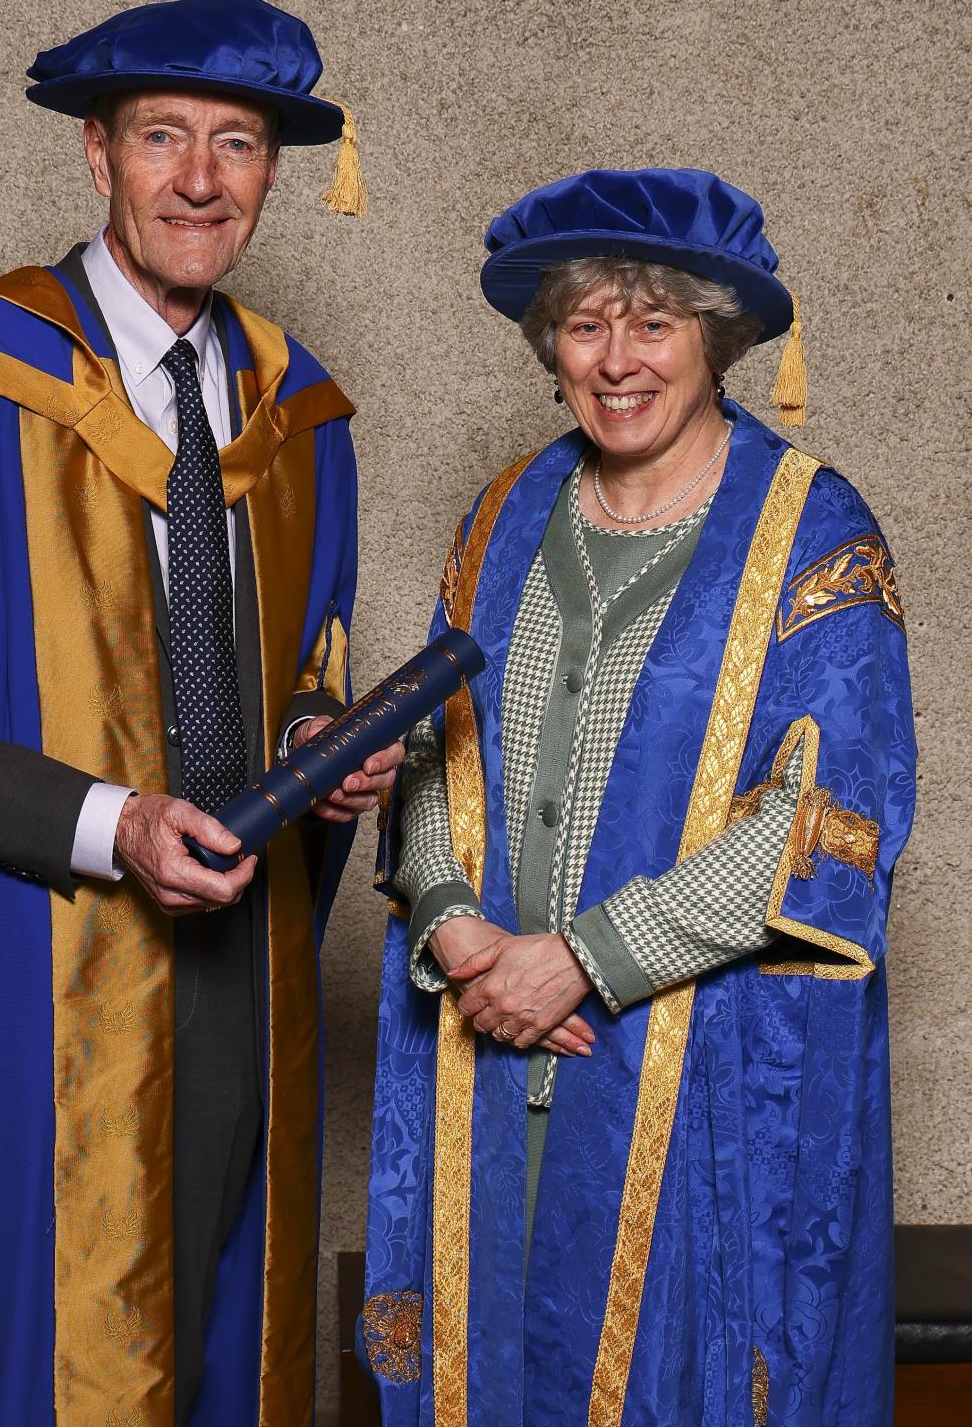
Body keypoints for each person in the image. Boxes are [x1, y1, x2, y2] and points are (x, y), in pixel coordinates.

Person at [0, 0, 401, 1427]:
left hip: (241, 975)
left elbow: (303, 671)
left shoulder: (297, 418)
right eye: (162, 136)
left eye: (234, 145)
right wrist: (115, 825)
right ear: (96, 154)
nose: (198, 178)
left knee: (222, 1343)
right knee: (34, 1362)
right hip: (24, 976)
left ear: (271, 177)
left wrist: (319, 744)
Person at [363, 168, 914, 1426]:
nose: (618, 360)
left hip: (694, 1063)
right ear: (549, 342)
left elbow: (823, 826)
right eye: (585, 323)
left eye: (653, 323)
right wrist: (455, 931)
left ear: (715, 338)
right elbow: (431, 743)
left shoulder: (812, 535)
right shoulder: (504, 514)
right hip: (489, 1034)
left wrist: (582, 960)